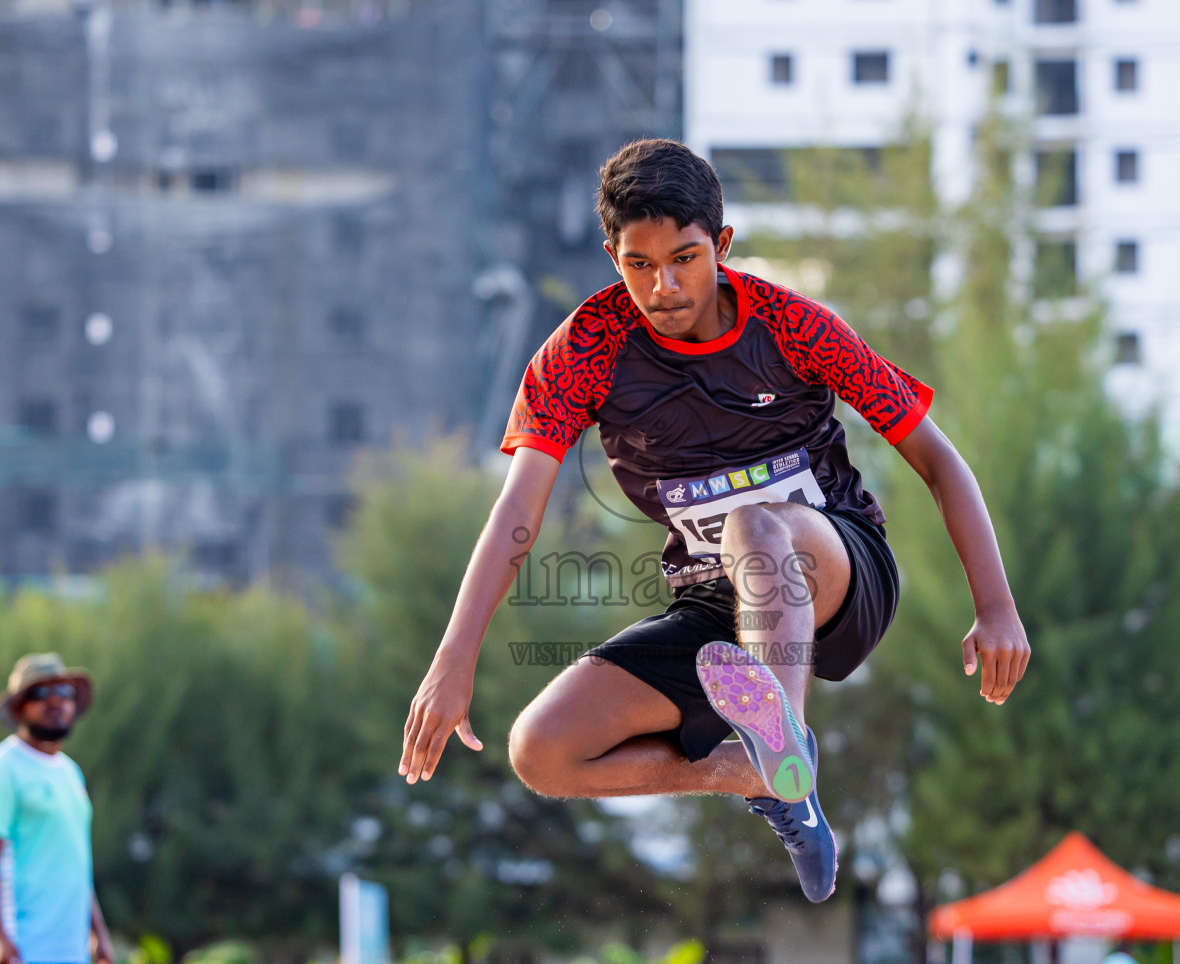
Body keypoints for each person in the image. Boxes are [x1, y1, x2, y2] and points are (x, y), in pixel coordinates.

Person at [398, 139, 1029, 902]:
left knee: (755, 529)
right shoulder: (584, 352)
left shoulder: (795, 327)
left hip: (836, 570)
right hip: (714, 605)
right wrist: (453, 657)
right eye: (639, 265)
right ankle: (750, 768)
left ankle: (781, 739)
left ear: (721, 245)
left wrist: (995, 606)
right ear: (612, 257)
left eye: (685, 259)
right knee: (542, 750)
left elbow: (938, 459)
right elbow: (517, 510)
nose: (663, 286)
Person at [0, 653, 114, 964]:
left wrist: (97, 932)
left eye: (63, 692)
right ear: (19, 707)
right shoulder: (1, 770)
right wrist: (0, 938)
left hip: (67, 949)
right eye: (41, 693)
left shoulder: (70, 774)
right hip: (23, 950)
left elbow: (74, 862)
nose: (56, 701)